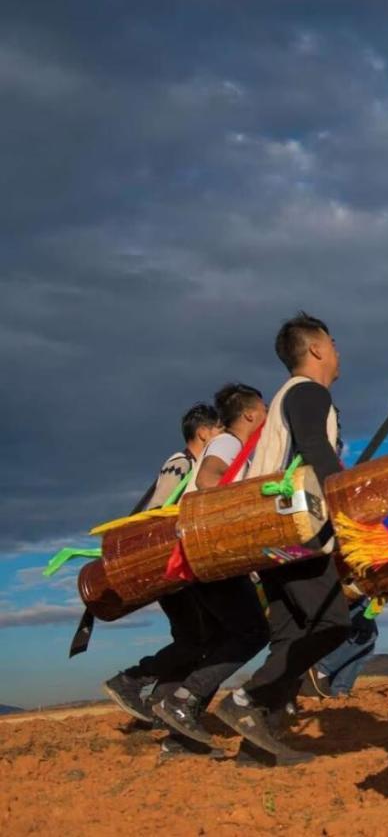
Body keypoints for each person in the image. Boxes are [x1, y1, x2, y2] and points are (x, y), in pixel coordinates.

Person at [211, 314, 350, 764]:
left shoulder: (284, 399)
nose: (336, 348)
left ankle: (257, 747)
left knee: (290, 640)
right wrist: (350, 508)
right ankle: (247, 700)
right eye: (331, 341)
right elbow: (316, 449)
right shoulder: (309, 392)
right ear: (315, 350)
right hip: (297, 533)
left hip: (267, 536)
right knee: (333, 623)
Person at [149, 385, 273, 759]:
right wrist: (252, 503)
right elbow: (208, 481)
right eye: (264, 409)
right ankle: (179, 701)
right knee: (252, 631)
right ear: (251, 414)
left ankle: (179, 733)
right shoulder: (229, 444)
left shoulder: (236, 447)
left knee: (229, 634)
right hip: (210, 549)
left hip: (206, 550)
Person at [101, 403, 220, 742]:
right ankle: (131, 680)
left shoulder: (195, 466)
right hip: (168, 564)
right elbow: (158, 512)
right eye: (219, 432)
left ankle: (157, 704)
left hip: (182, 565)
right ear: (203, 433)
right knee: (197, 640)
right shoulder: (180, 464)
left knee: (193, 640)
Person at [306, 584, 381, 698]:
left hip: (365, 592)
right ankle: (320, 670)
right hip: (353, 584)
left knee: (367, 643)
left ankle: (339, 688)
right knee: (366, 635)